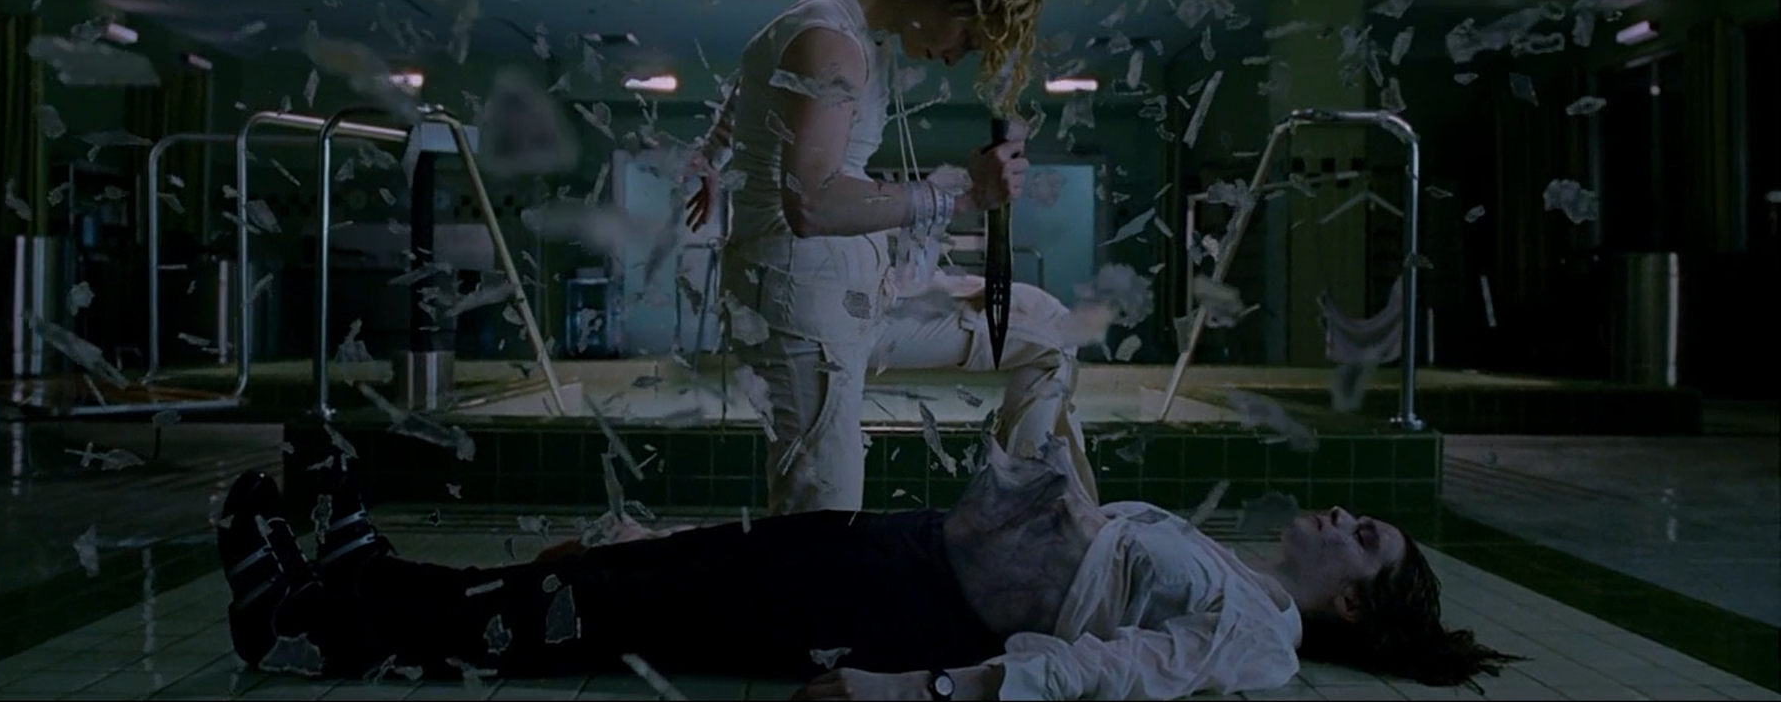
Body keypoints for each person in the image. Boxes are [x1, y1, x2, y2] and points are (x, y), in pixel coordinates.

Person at [219, 439, 1522, 700]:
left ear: (1352, 599)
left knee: (620, 606)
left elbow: (1115, 668)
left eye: (1366, 534)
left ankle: (320, 623)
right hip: (896, 550)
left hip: (905, 607)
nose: (1348, 512)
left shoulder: (1262, 639)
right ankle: (373, 578)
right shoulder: (1230, 565)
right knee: (639, 569)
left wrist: (917, 691)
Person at [678, 0, 1102, 515]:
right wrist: (961, 198)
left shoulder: (850, 16)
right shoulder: (830, 40)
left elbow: (754, 75)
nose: (955, 59)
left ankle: (1026, 522)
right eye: (967, 39)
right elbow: (812, 202)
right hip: (803, 310)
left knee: (1049, 332)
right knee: (822, 528)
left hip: (862, 290)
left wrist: (713, 153)